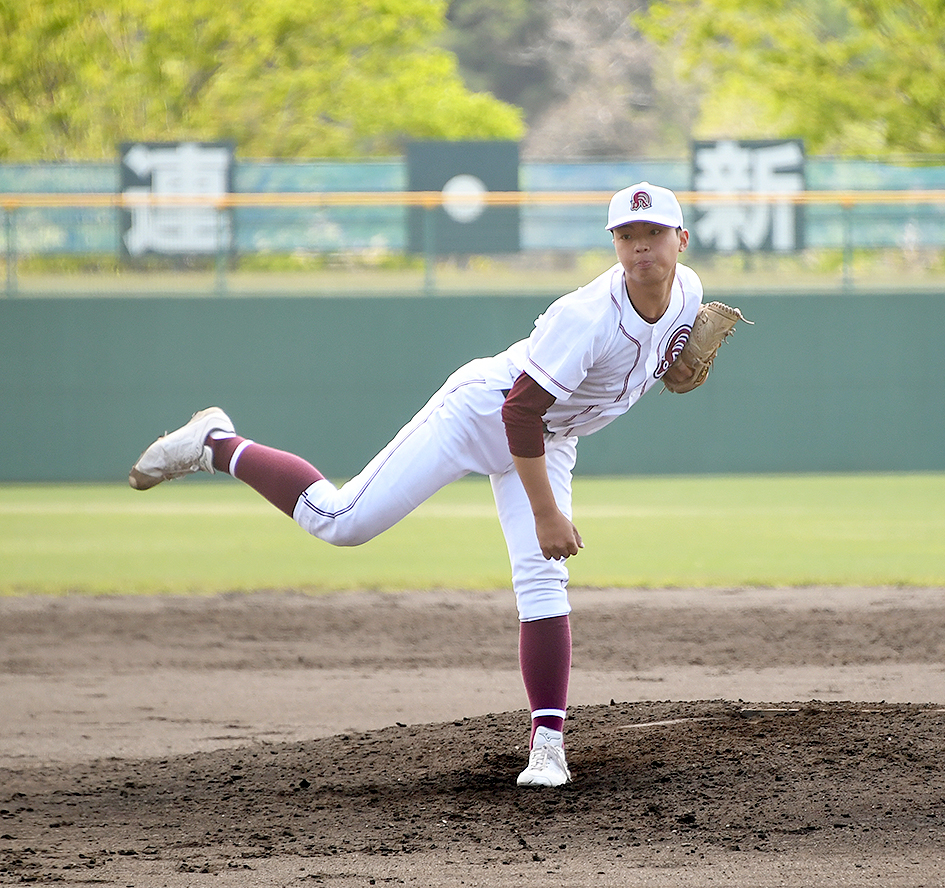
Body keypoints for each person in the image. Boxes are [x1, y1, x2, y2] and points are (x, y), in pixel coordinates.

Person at [128, 182, 704, 786]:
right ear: (614, 245)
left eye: (655, 234)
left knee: (542, 578)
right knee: (340, 521)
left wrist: (679, 365)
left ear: (681, 240)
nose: (642, 248)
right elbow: (519, 413)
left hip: (550, 439)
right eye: (628, 236)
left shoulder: (689, 294)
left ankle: (548, 745)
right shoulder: (585, 316)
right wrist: (545, 515)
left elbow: (669, 358)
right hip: (483, 415)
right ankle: (216, 443)